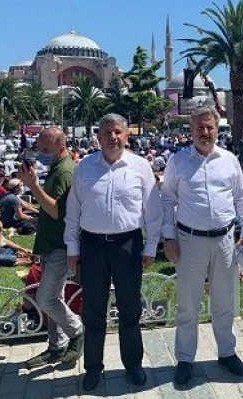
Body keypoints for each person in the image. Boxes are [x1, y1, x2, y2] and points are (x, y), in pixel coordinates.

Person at [64, 113, 163, 391]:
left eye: (117, 132)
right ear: (98, 137)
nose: (112, 137)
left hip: (127, 245)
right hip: (93, 245)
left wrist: (151, 246)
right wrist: (73, 247)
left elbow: (153, 212)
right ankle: (93, 367)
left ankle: (133, 365)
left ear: (126, 135)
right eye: (106, 132)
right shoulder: (84, 167)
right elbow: (73, 211)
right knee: (93, 310)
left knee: (130, 308)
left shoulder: (140, 167)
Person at [161, 106, 243, 385]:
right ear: (191, 131)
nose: (205, 132)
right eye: (199, 127)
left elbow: (241, 197)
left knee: (224, 301)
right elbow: (167, 200)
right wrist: (169, 237)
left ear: (217, 129)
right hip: (190, 241)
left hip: (225, 239)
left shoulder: (229, 160)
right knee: (188, 304)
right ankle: (185, 358)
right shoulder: (178, 162)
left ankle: (227, 352)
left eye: (209, 127)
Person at [18, 127, 84, 369]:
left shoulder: (66, 171)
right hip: (49, 244)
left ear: (60, 146)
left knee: (46, 299)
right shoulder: (57, 168)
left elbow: (57, 211)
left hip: (59, 246)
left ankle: (77, 332)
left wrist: (33, 186)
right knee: (54, 297)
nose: (40, 153)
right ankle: (57, 346)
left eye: (45, 149)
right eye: (39, 148)